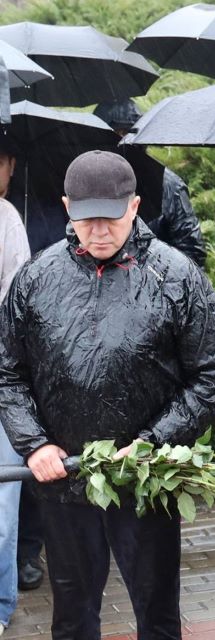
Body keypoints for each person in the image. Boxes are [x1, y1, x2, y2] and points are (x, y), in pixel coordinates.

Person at [0, 150, 215, 639]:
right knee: (71, 614)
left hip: (147, 477)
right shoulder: (36, 278)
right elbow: (7, 372)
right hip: (64, 477)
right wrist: (34, 443)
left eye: (111, 218)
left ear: (134, 206)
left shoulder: (174, 276)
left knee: (157, 612)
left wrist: (157, 439)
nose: (100, 231)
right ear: (67, 207)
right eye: (87, 220)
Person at [93, 99, 207, 268]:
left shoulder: (168, 185)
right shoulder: (82, 184)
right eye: (116, 134)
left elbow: (192, 253)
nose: (123, 142)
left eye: (128, 134)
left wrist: (152, 280)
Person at [0, 196, 30, 637]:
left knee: (2, 502)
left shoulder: (5, 217)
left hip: (2, 380)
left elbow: (17, 297)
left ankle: (1, 604)